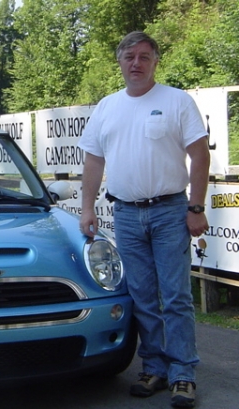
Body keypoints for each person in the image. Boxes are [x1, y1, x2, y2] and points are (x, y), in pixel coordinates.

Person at [78, 31, 210, 409]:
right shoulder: (107, 107)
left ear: (155, 62)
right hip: (126, 213)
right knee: (142, 297)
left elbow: (200, 155)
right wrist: (87, 208)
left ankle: (183, 373)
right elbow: (94, 161)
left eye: (144, 57)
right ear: (119, 61)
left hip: (170, 211)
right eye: (129, 56)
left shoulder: (176, 101)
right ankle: (154, 368)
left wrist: (196, 207)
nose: (136, 63)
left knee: (176, 296)